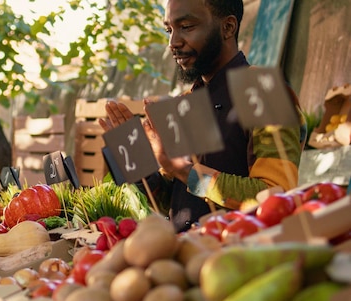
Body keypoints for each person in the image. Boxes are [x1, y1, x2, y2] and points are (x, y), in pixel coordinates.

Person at [99, 0, 304, 232]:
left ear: (228, 27)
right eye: (169, 30)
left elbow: (276, 195)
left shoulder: (262, 91)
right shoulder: (188, 101)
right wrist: (141, 162)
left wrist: (182, 169)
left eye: (186, 26)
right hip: (184, 253)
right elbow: (178, 203)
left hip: (237, 255)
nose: (173, 42)